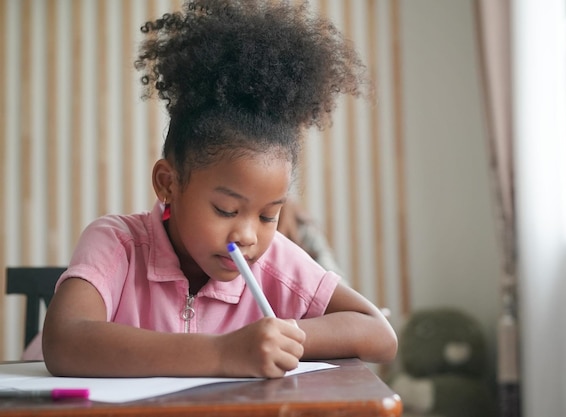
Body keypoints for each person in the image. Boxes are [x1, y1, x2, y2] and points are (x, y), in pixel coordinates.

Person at [42, 0, 397, 378]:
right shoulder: (118, 244)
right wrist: (221, 352)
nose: (247, 235)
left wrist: (281, 338)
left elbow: (379, 335)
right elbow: (65, 341)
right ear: (168, 184)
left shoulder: (276, 262)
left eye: (267, 215)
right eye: (226, 210)